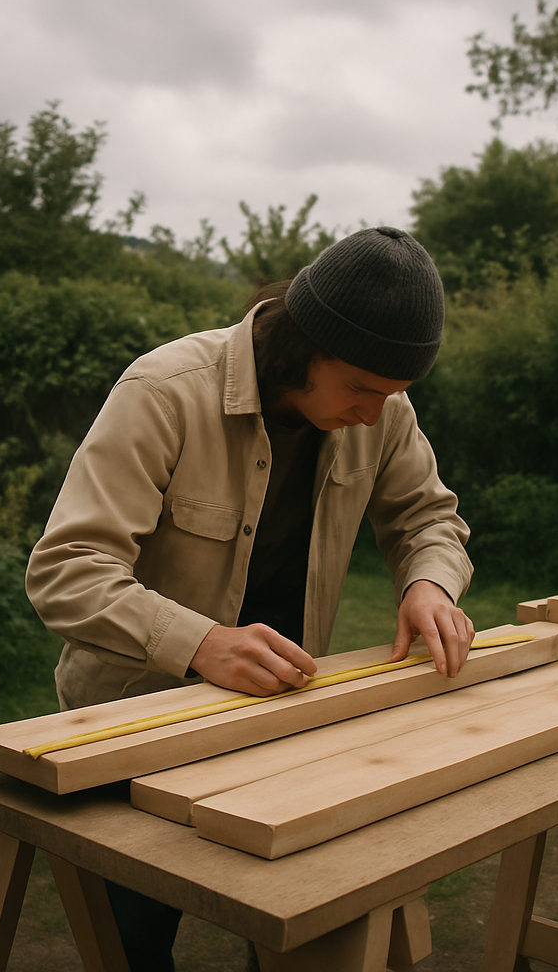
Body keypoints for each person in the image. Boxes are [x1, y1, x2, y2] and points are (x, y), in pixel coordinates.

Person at [25, 225, 474, 971]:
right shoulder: (164, 392)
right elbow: (67, 570)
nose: (374, 414)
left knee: (294, 928)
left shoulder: (383, 411)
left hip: (282, 717)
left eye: (394, 394)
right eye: (362, 388)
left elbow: (429, 519)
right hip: (131, 728)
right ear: (305, 344)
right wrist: (201, 644)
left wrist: (430, 582)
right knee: (133, 941)